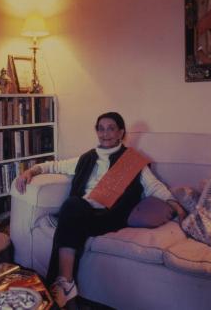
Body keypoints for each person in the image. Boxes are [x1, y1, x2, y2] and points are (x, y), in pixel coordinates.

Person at [15, 112, 186, 309]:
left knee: (70, 209)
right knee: (73, 207)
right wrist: (31, 171)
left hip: (110, 215)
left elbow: (154, 186)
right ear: (96, 131)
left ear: (121, 132)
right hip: (82, 210)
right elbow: (53, 166)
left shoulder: (131, 161)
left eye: (111, 128)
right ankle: (66, 284)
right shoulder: (86, 158)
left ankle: (63, 285)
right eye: (101, 128)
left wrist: (174, 203)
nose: (105, 133)